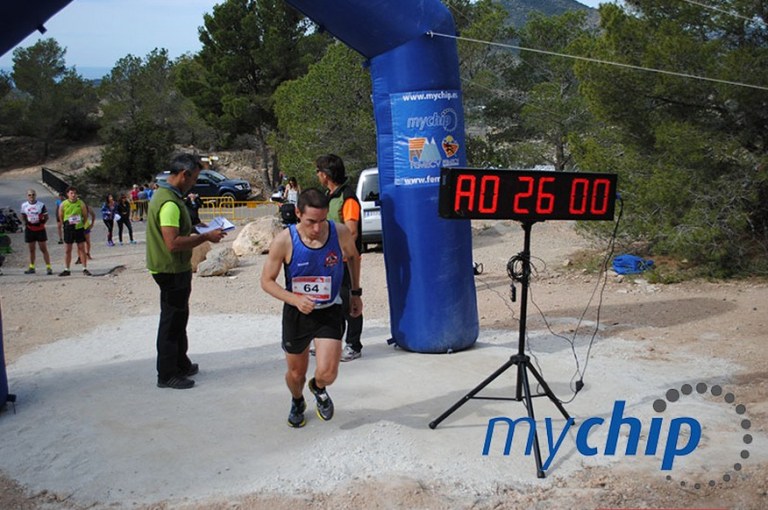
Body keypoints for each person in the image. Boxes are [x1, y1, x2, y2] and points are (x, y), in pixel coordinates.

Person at [261, 188, 362, 428]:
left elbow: (353, 257)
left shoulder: (339, 233)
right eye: (311, 222)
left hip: (329, 309)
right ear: (298, 213)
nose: (317, 228)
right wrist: (295, 299)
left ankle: (318, 387)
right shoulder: (284, 240)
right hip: (298, 313)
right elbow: (266, 281)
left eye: (322, 220)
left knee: (329, 373)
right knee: (296, 374)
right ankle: (297, 400)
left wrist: (355, 293)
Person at [147, 153, 227, 390]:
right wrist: (205, 236)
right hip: (171, 268)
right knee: (172, 322)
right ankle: (167, 374)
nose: (194, 183)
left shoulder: (169, 197)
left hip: (172, 267)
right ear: (184, 175)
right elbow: (172, 243)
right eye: (194, 178)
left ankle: (180, 362)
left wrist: (197, 227)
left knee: (179, 317)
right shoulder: (169, 203)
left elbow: (177, 228)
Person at [315, 154, 365, 362]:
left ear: (325, 175)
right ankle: (332, 342)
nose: (317, 175)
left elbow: (351, 231)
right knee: (332, 303)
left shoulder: (348, 198)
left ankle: (353, 345)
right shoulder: (330, 196)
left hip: (345, 261)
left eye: (318, 171)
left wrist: (340, 253)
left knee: (349, 302)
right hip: (331, 260)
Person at [58, 186, 90, 276]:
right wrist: (65, 225)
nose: (73, 195)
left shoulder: (81, 203)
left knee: (81, 248)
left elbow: (85, 215)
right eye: (71, 193)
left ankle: (84, 268)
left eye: (75, 193)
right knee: (68, 249)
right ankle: (67, 269)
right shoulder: (63, 204)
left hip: (79, 228)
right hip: (68, 229)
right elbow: (60, 216)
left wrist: (82, 224)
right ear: (67, 194)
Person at [20, 189, 53, 275]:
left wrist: (41, 223)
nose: (31, 196)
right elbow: (23, 215)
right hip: (30, 229)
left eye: (33, 195)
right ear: (27, 196)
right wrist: (26, 223)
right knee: (31, 249)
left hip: (40, 230)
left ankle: (48, 267)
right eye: (29, 195)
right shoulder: (24, 205)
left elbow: (46, 217)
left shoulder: (41, 205)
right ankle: (31, 267)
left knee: (43, 249)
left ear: (36, 195)